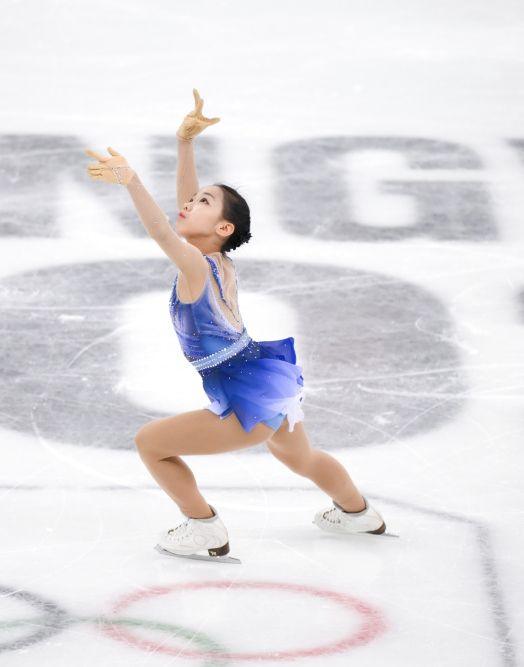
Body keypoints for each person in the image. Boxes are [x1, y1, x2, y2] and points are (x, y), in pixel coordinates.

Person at [84, 89, 386, 558]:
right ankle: (357, 512)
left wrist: (131, 182)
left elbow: (163, 230)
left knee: (151, 444)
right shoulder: (216, 260)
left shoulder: (197, 267)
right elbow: (185, 208)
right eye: (195, 200)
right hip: (268, 376)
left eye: (204, 203)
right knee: (298, 456)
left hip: (245, 393)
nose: (187, 205)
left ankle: (203, 526)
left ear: (223, 227)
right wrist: (184, 144)